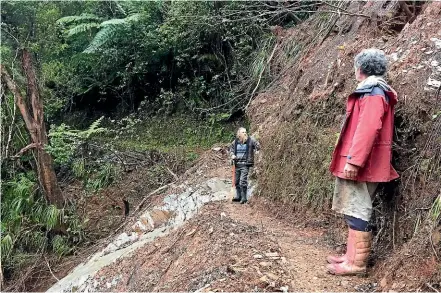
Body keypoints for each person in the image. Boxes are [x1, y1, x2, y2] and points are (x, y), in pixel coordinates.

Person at [327, 48, 399, 276]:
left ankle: (356, 264)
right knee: (352, 208)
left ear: (360, 69)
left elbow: (367, 130)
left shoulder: (373, 92)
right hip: (361, 162)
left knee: (358, 210)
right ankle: (350, 256)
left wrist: (354, 162)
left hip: (363, 164)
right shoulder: (373, 91)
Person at [229, 127, 261, 204]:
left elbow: (258, 146)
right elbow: (231, 149)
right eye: (243, 132)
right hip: (236, 165)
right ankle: (238, 196)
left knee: (242, 181)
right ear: (239, 134)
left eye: (245, 132)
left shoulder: (250, 140)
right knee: (236, 182)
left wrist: (257, 147)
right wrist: (232, 155)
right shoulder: (235, 142)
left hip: (245, 165)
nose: (245, 133)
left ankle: (244, 198)